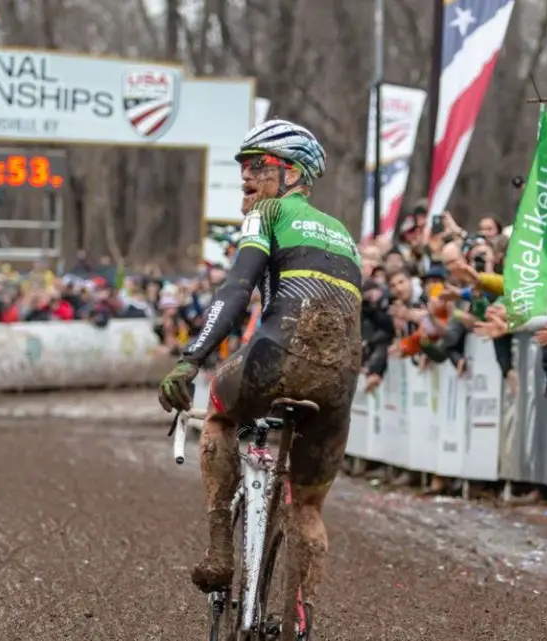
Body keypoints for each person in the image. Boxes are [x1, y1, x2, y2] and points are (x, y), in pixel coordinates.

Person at [155, 119, 361, 634]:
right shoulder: (344, 233)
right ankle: (299, 621)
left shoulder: (269, 212)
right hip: (339, 382)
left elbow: (236, 290)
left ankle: (220, 548)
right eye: (242, 166)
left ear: (292, 174)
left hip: (277, 357)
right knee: (309, 507)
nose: (245, 176)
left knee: (221, 417)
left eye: (257, 166)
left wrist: (191, 359)